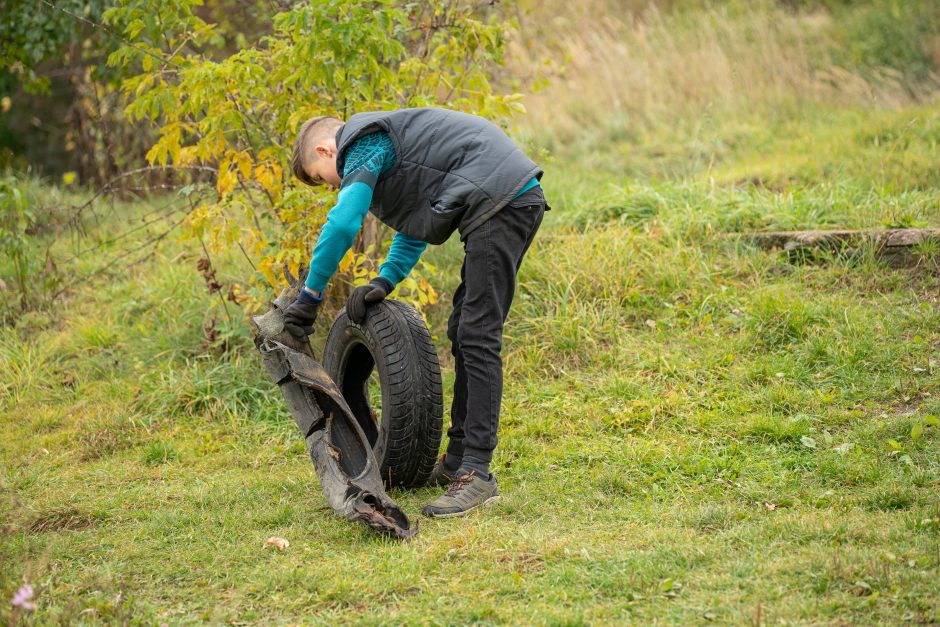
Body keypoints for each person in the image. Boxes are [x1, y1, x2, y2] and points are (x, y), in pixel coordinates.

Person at [283, 108, 547, 518]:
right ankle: (460, 458)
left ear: (325, 148)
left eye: (321, 176)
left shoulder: (362, 141)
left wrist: (310, 296)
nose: (330, 185)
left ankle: (477, 473)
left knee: (478, 334)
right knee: (464, 330)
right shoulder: (390, 147)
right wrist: (385, 280)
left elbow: (342, 223)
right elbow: (418, 220)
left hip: (500, 199)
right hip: (502, 197)